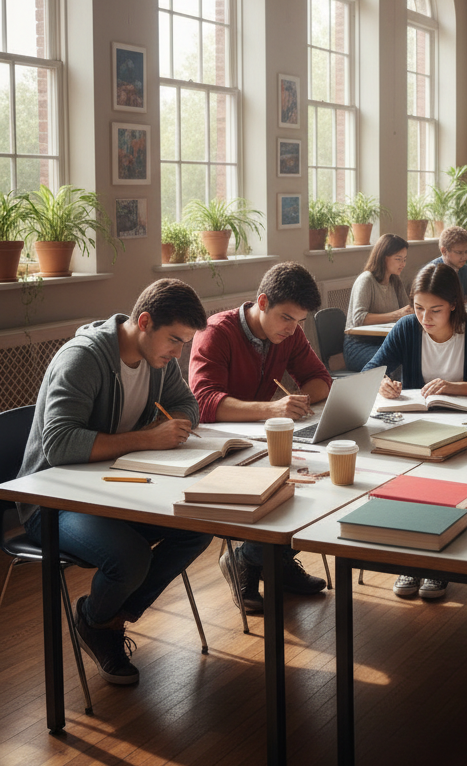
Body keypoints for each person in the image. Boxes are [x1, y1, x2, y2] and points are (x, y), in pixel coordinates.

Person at [17, 279, 213, 685]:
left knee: (200, 527)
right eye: (175, 341)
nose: (178, 354)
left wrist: (175, 424)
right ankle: (93, 618)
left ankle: (109, 618)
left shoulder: (158, 361)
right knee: (130, 558)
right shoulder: (83, 359)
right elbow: (58, 444)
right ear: (144, 322)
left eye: (184, 344)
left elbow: (188, 402)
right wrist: (147, 438)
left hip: (115, 490)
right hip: (54, 501)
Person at [188, 262, 332, 613]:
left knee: (324, 483)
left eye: (299, 321)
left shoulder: (289, 333)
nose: (293, 328)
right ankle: (256, 561)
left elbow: (319, 380)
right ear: (263, 302)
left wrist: (298, 402)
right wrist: (270, 410)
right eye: (286, 318)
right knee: (294, 484)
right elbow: (203, 404)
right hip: (220, 447)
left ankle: (264, 560)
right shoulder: (214, 332)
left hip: (262, 440)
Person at [364, 262, 467, 600]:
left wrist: (454, 388)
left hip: (466, 427)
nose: (425, 318)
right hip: (418, 426)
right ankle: (413, 558)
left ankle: (439, 564)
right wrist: (383, 383)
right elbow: (372, 369)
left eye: (435, 310)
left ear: (454, 305)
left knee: (449, 485)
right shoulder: (406, 328)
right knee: (409, 482)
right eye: (418, 308)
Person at [345, 233, 413, 372]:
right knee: (396, 359)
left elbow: (406, 312)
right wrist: (395, 315)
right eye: (398, 259)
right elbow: (358, 319)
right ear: (383, 258)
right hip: (359, 346)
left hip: (385, 342)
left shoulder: (396, 281)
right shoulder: (366, 280)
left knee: (415, 353)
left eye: (404, 259)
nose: (403, 264)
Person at [430, 225, 467, 303]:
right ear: (444, 251)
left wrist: (462, 304)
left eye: (466, 251)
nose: (464, 257)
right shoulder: (432, 272)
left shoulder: (465, 269)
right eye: (459, 252)